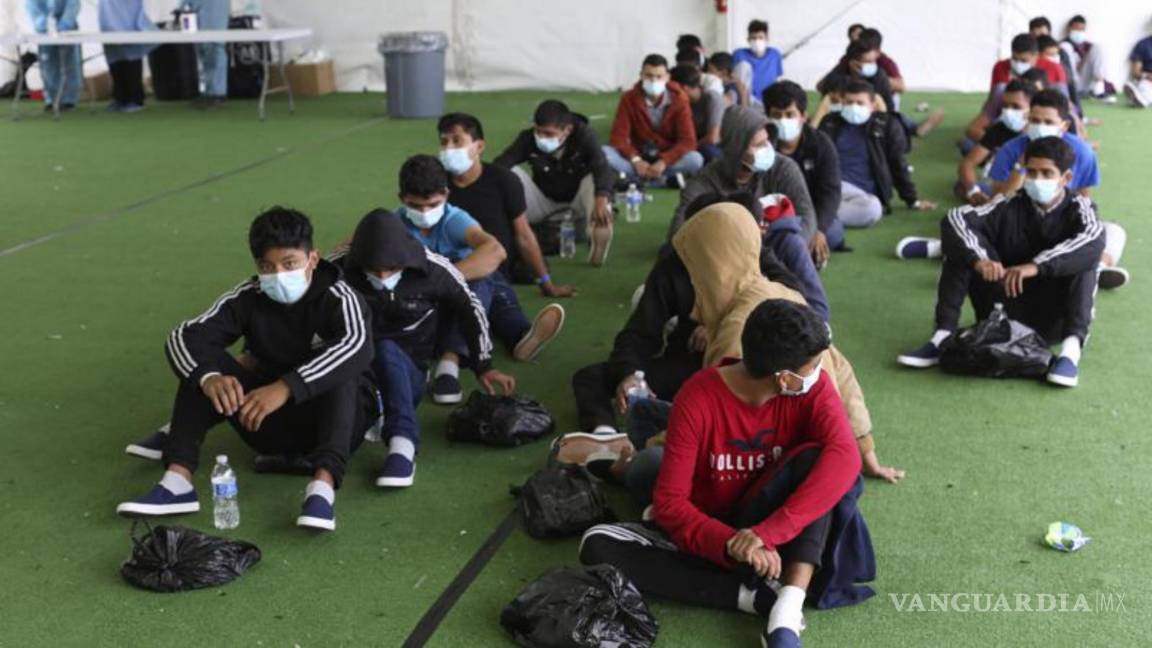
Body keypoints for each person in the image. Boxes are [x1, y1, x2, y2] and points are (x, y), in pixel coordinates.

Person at [578, 299, 874, 648]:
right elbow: (672, 504)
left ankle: (786, 613)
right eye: (812, 366)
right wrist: (734, 545)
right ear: (785, 378)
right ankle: (757, 598)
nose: (818, 372)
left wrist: (767, 532)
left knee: (819, 462)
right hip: (718, 528)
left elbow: (845, 456)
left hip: (774, 527)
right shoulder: (698, 397)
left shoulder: (815, 386)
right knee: (597, 542)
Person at [568, 201, 901, 499]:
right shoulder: (776, 293)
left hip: (761, 462)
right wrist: (865, 452)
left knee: (648, 466)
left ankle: (621, 455)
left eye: (696, 262)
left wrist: (631, 464)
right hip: (794, 451)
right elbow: (841, 371)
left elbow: (714, 421)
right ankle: (616, 440)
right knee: (646, 415)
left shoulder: (739, 329)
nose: (694, 273)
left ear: (712, 261)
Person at [116, 207, 378, 532]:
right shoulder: (248, 296)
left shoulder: (339, 296)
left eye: (289, 264)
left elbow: (358, 345)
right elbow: (184, 336)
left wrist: (285, 387)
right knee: (204, 368)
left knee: (344, 370)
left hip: (337, 425)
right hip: (266, 424)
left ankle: (321, 491)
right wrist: (209, 379)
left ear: (312, 259)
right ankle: (177, 481)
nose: (278, 275)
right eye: (267, 267)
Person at [329, 210, 515, 487]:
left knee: (386, 349)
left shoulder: (433, 268)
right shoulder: (337, 269)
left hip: (409, 367)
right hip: (355, 370)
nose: (382, 276)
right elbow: (300, 311)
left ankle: (402, 447)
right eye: (373, 270)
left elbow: (469, 306)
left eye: (391, 269)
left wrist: (483, 364)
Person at [897, 138, 1103, 388]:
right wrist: (980, 260)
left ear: (1066, 178)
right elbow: (955, 218)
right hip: (1002, 312)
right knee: (962, 251)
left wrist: (1036, 266)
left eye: (1047, 173)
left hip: (1053, 321)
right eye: (1032, 172)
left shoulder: (1081, 209)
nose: (1037, 180)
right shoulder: (1008, 205)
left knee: (1084, 261)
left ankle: (1070, 354)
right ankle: (941, 338)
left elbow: (1091, 239)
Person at [394, 155, 565, 404]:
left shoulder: (454, 219)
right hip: (424, 308)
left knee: (484, 284)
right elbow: (348, 250)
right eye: (415, 206)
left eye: (432, 205)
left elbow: (496, 250)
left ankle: (451, 364)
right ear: (402, 200)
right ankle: (519, 337)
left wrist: (443, 281)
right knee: (486, 287)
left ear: (446, 194)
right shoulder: (391, 223)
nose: (424, 213)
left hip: (461, 295)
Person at [436, 113, 576, 296]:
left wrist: (546, 283)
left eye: (457, 141)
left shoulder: (503, 181)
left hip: (492, 271)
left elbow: (523, 234)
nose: (449, 149)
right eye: (444, 142)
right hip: (450, 265)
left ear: (479, 146)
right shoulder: (436, 182)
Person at [494, 100, 616, 267]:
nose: (541, 138)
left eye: (548, 134)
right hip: (542, 205)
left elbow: (602, 167)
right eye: (538, 131)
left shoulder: (585, 136)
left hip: (578, 207)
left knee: (595, 182)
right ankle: (506, 230)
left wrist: (602, 197)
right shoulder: (527, 138)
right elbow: (500, 164)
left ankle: (596, 231)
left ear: (567, 130)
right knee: (508, 173)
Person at [819, 79, 935, 229]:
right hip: (833, 186)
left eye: (860, 103)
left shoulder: (886, 125)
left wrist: (911, 199)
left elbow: (897, 163)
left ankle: (820, 214)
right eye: (849, 102)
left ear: (873, 105)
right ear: (841, 103)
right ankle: (823, 213)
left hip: (865, 197)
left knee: (872, 209)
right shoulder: (830, 122)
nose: (854, 107)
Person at [764, 80, 846, 262]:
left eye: (790, 114)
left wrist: (819, 229)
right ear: (767, 117)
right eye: (777, 115)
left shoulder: (821, 144)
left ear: (803, 116)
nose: (783, 120)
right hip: (771, 215)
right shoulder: (760, 145)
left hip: (810, 213)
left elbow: (830, 192)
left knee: (833, 232)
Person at [603, 54, 704, 187]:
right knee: (603, 152)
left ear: (667, 77)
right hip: (637, 155)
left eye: (658, 76)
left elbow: (688, 141)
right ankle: (663, 181)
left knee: (695, 159)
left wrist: (664, 161)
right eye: (649, 76)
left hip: (667, 157)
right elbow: (618, 138)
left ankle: (639, 180)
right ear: (641, 75)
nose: (653, 80)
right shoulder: (628, 99)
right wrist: (636, 160)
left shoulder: (680, 100)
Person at [966, 33, 1068, 143]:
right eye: (1015, 58)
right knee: (968, 144)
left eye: (1024, 60)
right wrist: (1007, 150)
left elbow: (1067, 106)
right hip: (1005, 135)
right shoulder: (1001, 89)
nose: (1018, 64)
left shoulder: (1055, 70)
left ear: (1036, 56)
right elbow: (975, 127)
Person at [954, 79, 1034, 205]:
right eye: (1005, 106)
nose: (1008, 111)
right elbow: (968, 163)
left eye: (1016, 106)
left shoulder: (1040, 133)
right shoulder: (1000, 128)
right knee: (962, 185)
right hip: (1001, 186)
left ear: (1032, 108)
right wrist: (973, 191)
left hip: (1030, 187)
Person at [99, 0, 156, 113]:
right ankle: (120, 99)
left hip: (127, 23)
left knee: (131, 62)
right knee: (115, 64)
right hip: (109, 25)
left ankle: (135, 100)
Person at [26, 0, 82, 111]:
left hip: (68, 29)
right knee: (48, 65)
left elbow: (73, 4)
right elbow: (32, 6)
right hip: (44, 31)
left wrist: (66, 22)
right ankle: (51, 99)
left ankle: (69, 100)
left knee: (70, 62)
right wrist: (42, 23)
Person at [670, 64, 724, 163]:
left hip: (714, 147)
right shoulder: (681, 102)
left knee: (709, 151)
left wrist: (687, 147)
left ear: (684, 88)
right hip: (692, 144)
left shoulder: (712, 98)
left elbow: (713, 138)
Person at [1061, 15, 1116, 101]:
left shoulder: (1089, 46)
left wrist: (1084, 60)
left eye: (1081, 30)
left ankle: (1099, 90)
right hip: (1070, 82)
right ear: (1070, 29)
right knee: (1065, 46)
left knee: (1099, 47)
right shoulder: (1062, 44)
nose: (1079, 32)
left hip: (1085, 81)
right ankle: (1073, 91)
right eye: (1076, 29)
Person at [185, 0, 229, 108]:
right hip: (199, 9)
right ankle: (210, 92)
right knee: (203, 49)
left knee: (213, 47)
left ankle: (217, 94)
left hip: (212, 7)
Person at [732, 19, 783, 105]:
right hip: (745, 99)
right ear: (748, 39)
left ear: (767, 39)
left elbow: (777, 79)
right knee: (743, 66)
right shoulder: (739, 54)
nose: (757, 41)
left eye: (760, 38)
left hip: (768, 99)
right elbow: (734, 79)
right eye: (753, 38)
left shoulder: (775, 55)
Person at [1123, 33, 1152, 108]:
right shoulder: (1143, 44)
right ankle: (1140, 99)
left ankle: (1140, 99)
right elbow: (1135, 72)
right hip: (1148, 81)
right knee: (1145, 87)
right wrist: (1147, 75)